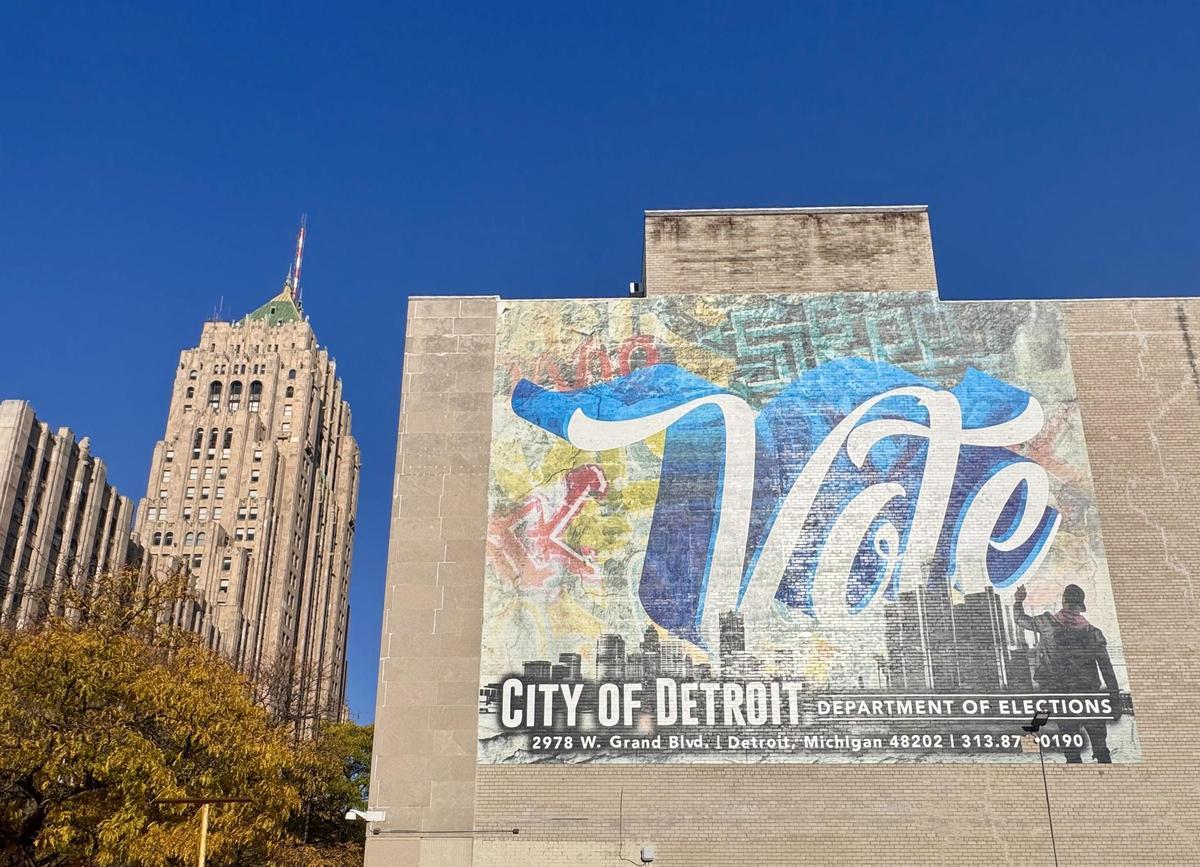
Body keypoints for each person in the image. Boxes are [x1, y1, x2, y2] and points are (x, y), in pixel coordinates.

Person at [1013, 584, 1119, 763]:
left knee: (1071, 750)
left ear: (1064, 601)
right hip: (1089, 697)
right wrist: (1114, 702)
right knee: (1101, 749)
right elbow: (1107, 670)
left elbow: (1020, 619)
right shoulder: (1094, 633)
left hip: (1062, 698)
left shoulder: (1046, 623)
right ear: (1080, 606)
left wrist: (1018, 600)